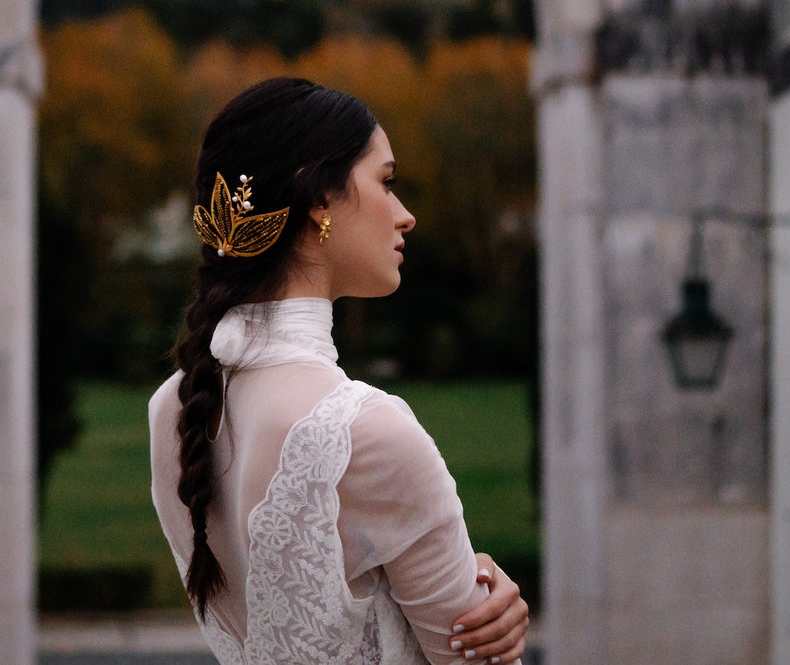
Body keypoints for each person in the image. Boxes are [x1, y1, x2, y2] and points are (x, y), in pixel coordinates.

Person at [149, 77, 530, 664]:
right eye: (386, 182)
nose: (406, 216)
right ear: (318, 198)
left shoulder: (171, 409)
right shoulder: (368, 431)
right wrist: (488, 612)